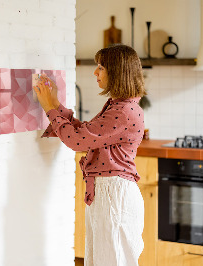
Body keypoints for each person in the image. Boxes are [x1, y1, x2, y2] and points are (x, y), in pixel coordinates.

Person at [34, 44, 146, 266]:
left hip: (114, 195)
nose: (95, 72)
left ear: (117, 72)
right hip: (109, 193)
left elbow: (77, 141)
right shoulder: (119, 106)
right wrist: (55, 104)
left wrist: (49, 108)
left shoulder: (123, 111)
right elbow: (85, 133)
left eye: (101, 67)